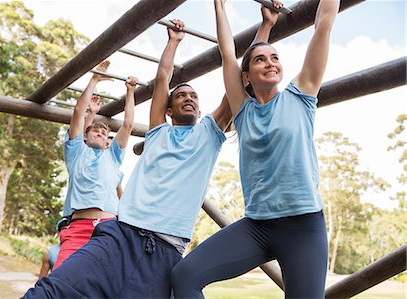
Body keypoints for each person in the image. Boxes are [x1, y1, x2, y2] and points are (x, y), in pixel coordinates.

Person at [22, 19, 232, 299]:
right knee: (50, 292)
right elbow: (162, 79)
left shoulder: (210, 134)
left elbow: (234, 76)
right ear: (168, 110)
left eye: (193, 95)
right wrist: (174, 42)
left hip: (166, 250)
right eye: (180, 95)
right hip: (121, 234)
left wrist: (263, 30)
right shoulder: (158, 132)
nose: (188, 98)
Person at [171, 0, 339, 298]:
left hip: (303, 227)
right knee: (185, 275)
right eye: (260, 59)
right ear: (246, 76)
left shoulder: (300, 96)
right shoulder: (243, 110)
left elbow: (323, 26)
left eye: (275, 57)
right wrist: (219, 6)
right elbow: (227, 54)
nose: (271, 62)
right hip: (258, 228)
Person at [53, 60, 137, 269]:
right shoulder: (76, 152)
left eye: (104, 133)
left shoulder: (113, 156)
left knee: (106, 282)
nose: (101, 134)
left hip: (108, 228)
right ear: (84, 136)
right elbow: (78, 113)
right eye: (96, 131)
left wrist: (130, 91)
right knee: (60, 279)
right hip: (78, 227)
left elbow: (127, 125)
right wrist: (95, 78)